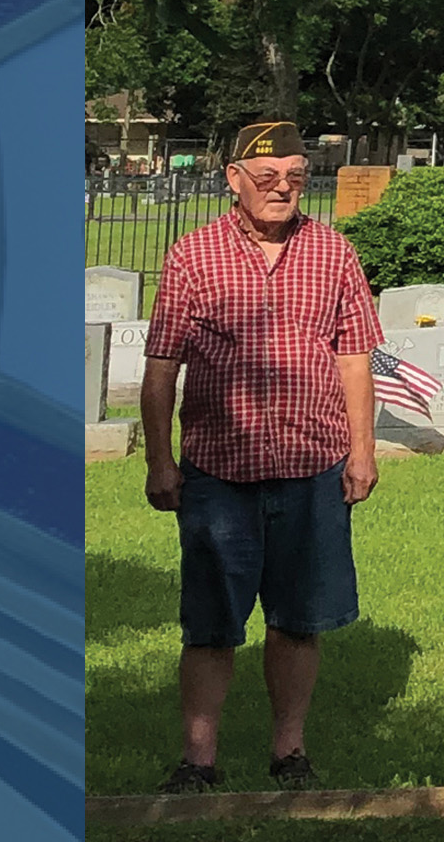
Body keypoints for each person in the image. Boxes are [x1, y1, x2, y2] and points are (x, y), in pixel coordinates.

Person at [138, 120, 387, 785]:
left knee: (299, 621)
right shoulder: (192, 255)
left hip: (313, 468)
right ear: (234, 181)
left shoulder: (334, 252)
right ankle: (198, 758)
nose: (283, 190)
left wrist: (362, 452)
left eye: (296, 178)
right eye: (268, 178)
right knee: (209, 624)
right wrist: (159, 461)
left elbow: (354, 357)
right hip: (220, 471)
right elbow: (162, 365)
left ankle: (289, 752)